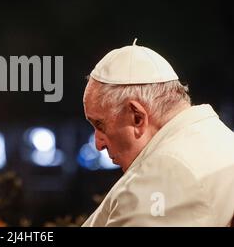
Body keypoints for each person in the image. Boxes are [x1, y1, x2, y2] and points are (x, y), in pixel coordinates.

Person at [81, 39, 234, 226]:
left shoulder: (165, 172)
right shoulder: (218, 137)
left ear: (137, 117)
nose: (98, 144)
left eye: (100, 125)